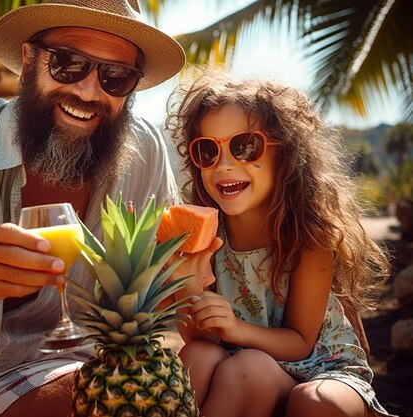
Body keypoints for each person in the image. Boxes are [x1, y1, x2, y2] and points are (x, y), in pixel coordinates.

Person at [0, 1, 186, 416]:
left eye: (116, 77)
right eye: (68, 64)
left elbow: (168, 297)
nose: (88, 91)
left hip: (100, 366)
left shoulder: (145, 152)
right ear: (28, 60)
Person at [164, 69, 396, 417]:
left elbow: (301, 342)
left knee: (314, 402)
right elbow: (203, 342)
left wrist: (236, 328)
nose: (224, 164)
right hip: (240, 366)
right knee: (198, 356)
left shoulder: (309, 237)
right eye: (207, 151)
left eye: (244, 146)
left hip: (320, 367)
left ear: (284, 154)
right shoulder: (203, 234)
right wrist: (190, 287)